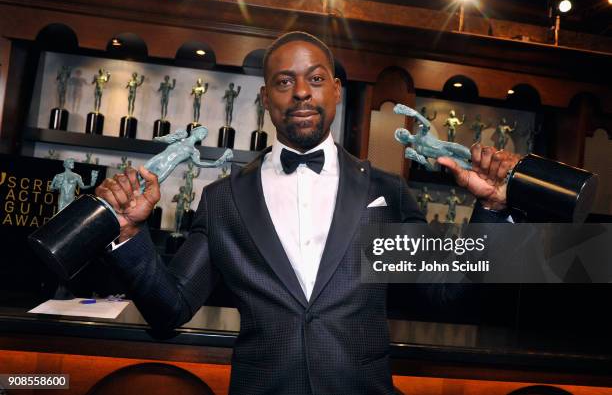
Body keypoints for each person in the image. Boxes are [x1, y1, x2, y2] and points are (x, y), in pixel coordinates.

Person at [96, 31, 519, 394]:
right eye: (285, 81)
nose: (301, 91)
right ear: (266, 98)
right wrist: (131, 233)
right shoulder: (224, 200)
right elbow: (170, 308)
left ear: (335, 90)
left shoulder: (385, 192)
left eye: (315, 79)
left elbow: (447, 293)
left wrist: (492, 209)